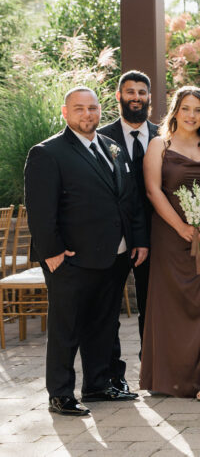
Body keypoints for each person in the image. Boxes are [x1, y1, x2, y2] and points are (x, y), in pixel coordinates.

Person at [25, 87, 147, 416]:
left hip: (114, 257)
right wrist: (52, 252)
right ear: (65, 113)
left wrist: (137, 240)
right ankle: (60, 394)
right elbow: (39, 210)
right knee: (67, 328)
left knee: (104, 325)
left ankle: (97, 384)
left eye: (92, 108)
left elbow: (129, 199)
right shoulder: (47, 153)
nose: (87, 114)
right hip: (71, 260)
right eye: (79, 109)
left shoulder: (112, 147)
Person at [140, 86, 200, 400]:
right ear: (175, 111)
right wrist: (180, 225)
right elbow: (154, 191)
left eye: (198, 110)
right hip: (170, 236)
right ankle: (170, 376)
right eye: (186, 108)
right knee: (172, 306)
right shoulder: (159, 145)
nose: (192, 115)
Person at [98, 70, 159, 394]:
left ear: (150, 98)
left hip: (158, 237)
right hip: (114, 239)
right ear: (119, 96)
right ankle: (113, 374)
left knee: (153, 307)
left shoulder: (164, 135)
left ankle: (150, 367)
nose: (136, 97)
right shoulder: (102, 137)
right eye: (130, 92)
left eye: (142, 92)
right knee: (110, 310)